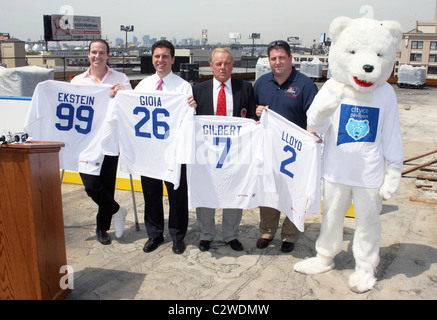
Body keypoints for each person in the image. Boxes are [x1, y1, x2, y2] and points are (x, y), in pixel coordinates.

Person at [254, 40, 318, 252]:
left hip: (294, 152)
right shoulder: (262, 83)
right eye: (273, 58)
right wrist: (257, 111)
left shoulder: (305, 85)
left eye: (282, 57)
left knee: (292, 192)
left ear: (290, 58)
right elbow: (252, 108)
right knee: (269, 191)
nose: (278, 62)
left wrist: (312, 136)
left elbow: (315, 117)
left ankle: (290, 235)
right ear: (269, 61)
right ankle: (267, 231)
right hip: (269, 149)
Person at [192, 48, 257, 252]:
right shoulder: (197, 90)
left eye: (227, 63)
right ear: (211, 66)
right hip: (206, 153)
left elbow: (252, 119)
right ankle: (206, 234)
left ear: (232, 65)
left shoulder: (244, 88)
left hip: (236, 153)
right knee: (205, 192)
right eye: (218, 63)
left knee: (234, 191)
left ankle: (231, 234)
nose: (223, 67)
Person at [134, 40, 195, 255]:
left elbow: (188, 119)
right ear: (152, 58)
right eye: (157, 56)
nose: (161, 60)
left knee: (177, 195)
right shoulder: (143, 85)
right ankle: (155, 234)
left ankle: (178, 236)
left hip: (174, 151)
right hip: (149, 151)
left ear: (172, 59)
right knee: (151, 194)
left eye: (165, 56)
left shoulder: (183, 86)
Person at [71, 39, 132, 245]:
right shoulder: (78, 81)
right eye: (93, 52)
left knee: (107, 184)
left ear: (108, 56)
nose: (97, 56)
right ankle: (117, 209)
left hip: (110, 140)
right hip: (86, 142)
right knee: (91, 185)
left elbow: (130, 108)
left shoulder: (120, 78)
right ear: (88, 55)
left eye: (101, 53)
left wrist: (120, 95)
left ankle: (102, 227)